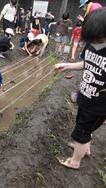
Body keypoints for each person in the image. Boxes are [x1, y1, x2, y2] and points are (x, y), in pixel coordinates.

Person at [55, 8, 106, 169]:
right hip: (86, 97)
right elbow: (87, 63)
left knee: (81, 131)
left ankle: (75, 161)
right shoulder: (91, 45)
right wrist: (68, 65)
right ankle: (84, 147)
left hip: (98, 104)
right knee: (85, 128)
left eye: (98, 39)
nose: (94, 42)